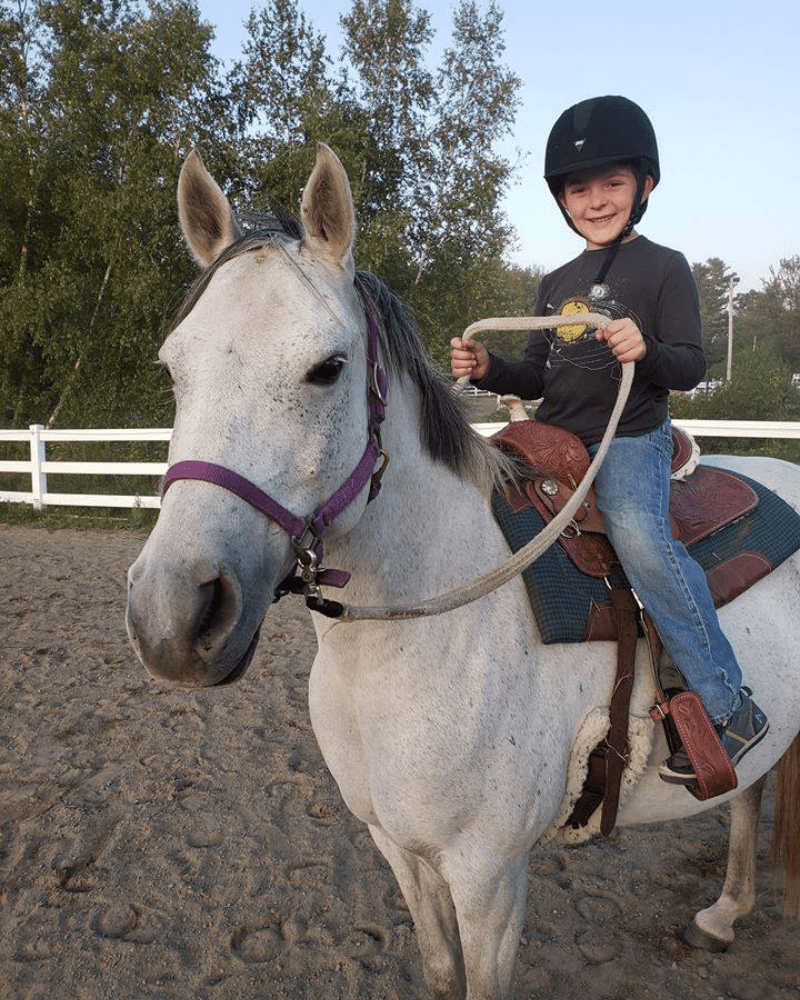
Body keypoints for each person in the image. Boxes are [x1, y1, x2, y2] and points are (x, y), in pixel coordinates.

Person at [451, 95, 768, 785]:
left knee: (642, 541)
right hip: (555, 439)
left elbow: (690, 364)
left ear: (644, 185)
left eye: (612, 183)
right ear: (562, 200)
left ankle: (729, 705)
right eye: (578, 189)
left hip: (629, 438)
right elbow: (537, 375)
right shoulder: (554, 283)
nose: (595, 200)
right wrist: (489, 369)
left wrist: (645, 349)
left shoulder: (665, 267)